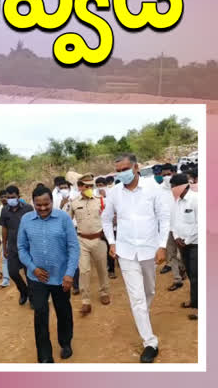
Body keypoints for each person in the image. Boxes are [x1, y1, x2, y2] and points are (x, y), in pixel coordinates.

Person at [102, 153, 170, 363]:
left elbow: (164, 217)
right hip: (126, 251)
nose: (122, 173)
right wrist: (112, 242)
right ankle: (150, 341)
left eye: (125, 169)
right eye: (118, 170)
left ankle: (142, 314)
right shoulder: (114, 193)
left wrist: (162, 245)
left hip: (150, 250)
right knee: (137, 297)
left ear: (136, 167)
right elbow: (105, 219)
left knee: (149, 290)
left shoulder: (152, 188)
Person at [17, 185, 79, 363]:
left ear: (52, 201)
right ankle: (44, 356)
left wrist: (69, 274)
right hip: (36, 278)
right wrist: (33, 268)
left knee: (63, 311)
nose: (43, 208)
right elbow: (22, 247)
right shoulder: (26, 220)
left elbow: (73, 247)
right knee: (40, 314)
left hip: (61, 277)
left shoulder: (63, 218)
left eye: (46, 204)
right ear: (33, 203)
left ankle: (65, 342)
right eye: (38, 205)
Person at [70, 174, 111, 316]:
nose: (89, 189)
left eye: (91, 186)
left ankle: (104, 292)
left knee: (102, 268)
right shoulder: (74, 202)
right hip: (82, 241)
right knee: (84, 271)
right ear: (80, 187)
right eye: (86, 186)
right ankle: (86, 301)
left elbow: (109, 219)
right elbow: (68, 222)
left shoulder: (101, 201)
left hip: (98, 239)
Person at [0, 186, 34, 307]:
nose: (10, 199)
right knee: (12, 272)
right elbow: (4, 228)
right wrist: (4, 246)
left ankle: (33, 297)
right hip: (12, 247)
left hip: (27, 247)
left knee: (29, 273)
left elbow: (34, 225)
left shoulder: (28, 208)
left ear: (18, 197)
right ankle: (23, 291)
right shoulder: (4, 210)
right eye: (8, 197)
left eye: (13, 197)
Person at [170, 174, 198, 321]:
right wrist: (176, 237)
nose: (172, 189)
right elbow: (173, 222)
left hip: (195, 245)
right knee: (191, 275)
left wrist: (186, 240)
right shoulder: (177, 202)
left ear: (182, 186)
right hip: (182, 244)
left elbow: (200, 224)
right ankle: (194, 301)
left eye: (173, 186)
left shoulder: (196, 200)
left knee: (198, 276)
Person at [95, 177, 117, 279]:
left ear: (105, 184)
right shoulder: (94, 197)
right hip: (101, 226)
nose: (100, 187)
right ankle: (109, 268)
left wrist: (105, 196)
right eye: (98, 185)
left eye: (101, 185)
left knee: (114, 245)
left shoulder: (112, 194)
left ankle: (115, 266)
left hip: (114, 225)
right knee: (106, 248)